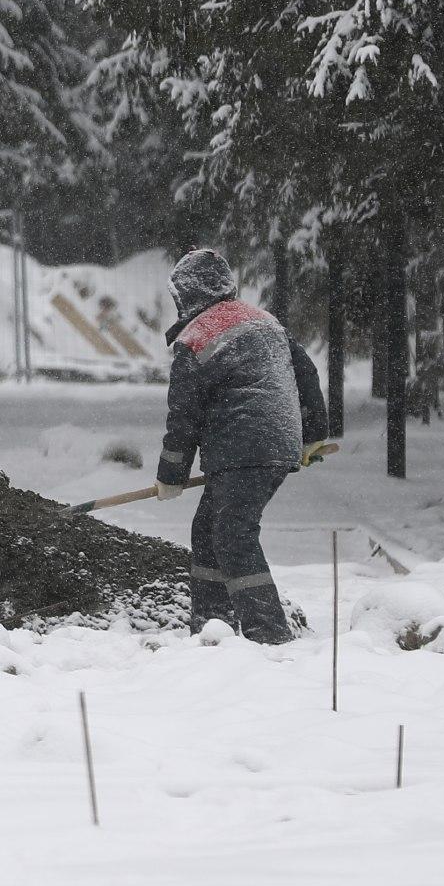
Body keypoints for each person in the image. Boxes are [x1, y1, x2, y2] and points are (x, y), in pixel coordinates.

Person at [155, 248, 328, 640]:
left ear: (189, 294)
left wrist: (171, 474)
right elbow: (307, 374)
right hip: (274, 442)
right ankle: (212, 625)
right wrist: (313, 434)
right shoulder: (266, 322)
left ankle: (268, 633)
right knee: (208, 529)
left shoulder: (196, 338)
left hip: (241, 449)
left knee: (233, 534)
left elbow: (183, 416)